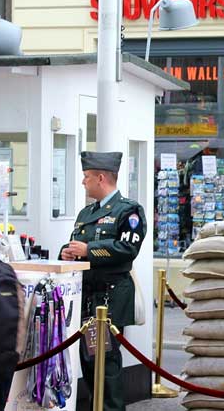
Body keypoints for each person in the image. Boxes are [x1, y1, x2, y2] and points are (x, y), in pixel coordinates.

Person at [60, 152, 146, 411]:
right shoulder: (87, 212)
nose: (83, 182)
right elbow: (76, 244)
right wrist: (67, 252)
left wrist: (89, 250)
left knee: (104, 362)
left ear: (100, 178)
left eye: (86, 177)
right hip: (88, 297)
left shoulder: (128, 211)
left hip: (108, 298)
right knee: (89, 361)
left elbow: (127, 249)